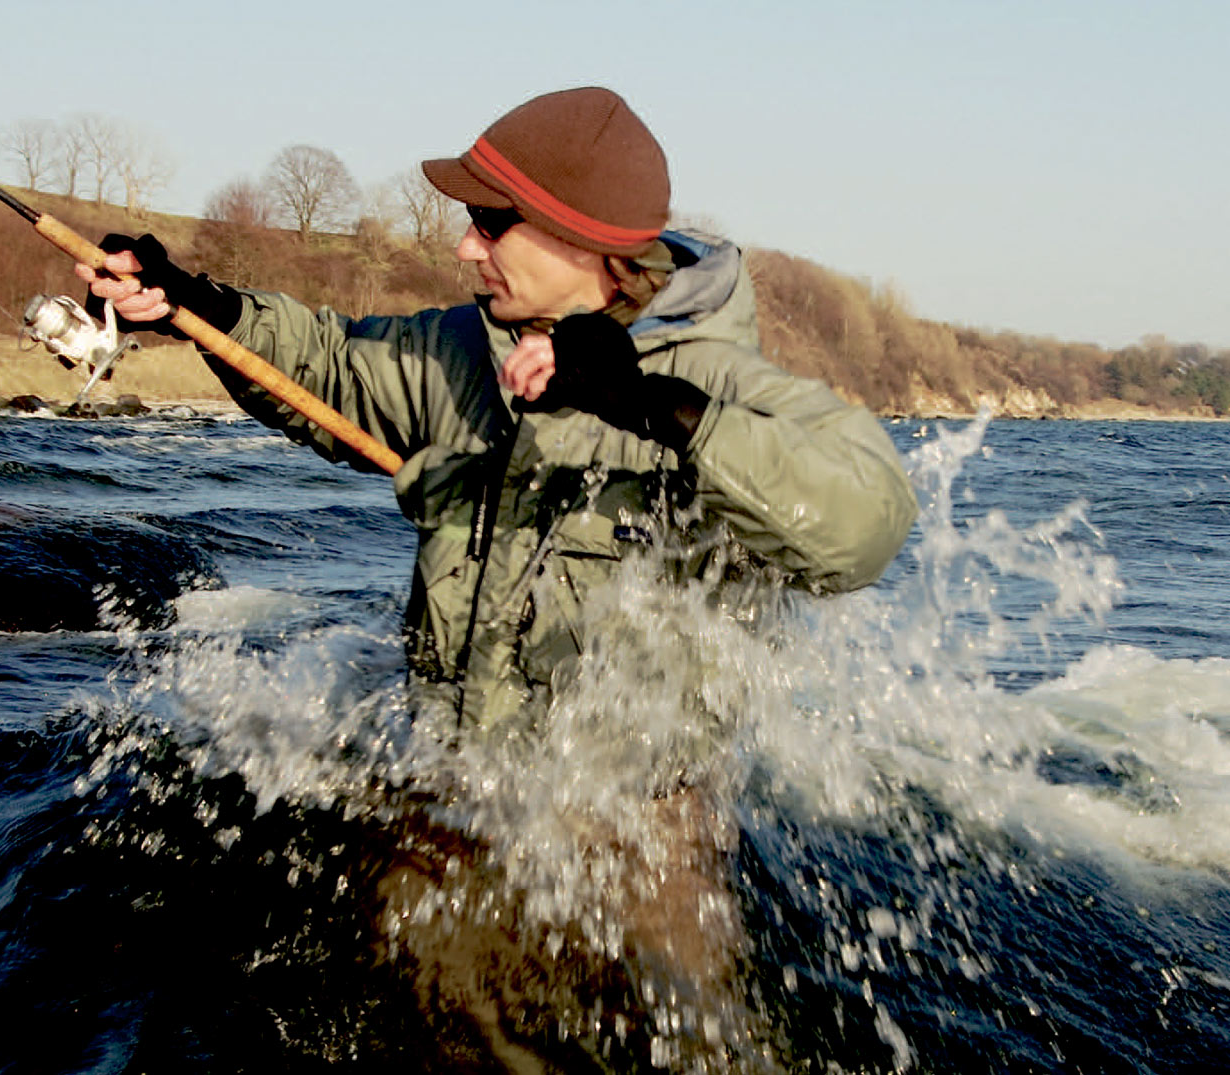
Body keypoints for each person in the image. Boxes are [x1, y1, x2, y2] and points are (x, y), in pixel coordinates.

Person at [77, 85, 917, 733]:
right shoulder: (461, 349)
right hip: (455, 784)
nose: (464, 244)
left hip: (642, 825)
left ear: (582, 238)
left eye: (491, 222)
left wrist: (661, 410)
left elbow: (865, 527)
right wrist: (193, 302)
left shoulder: (717, 377)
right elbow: (328, 364)